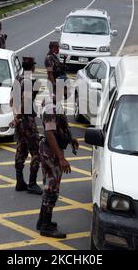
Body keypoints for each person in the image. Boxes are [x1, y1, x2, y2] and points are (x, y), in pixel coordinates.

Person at [37, 94, 79, 238]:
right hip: (51, 153)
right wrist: (61, 158)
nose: (68, 93)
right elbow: (49, 133)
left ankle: (42, 221)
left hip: (49, 150)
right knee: (52, 189)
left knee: (48, 185)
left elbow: (59, 127)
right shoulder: (51, 107)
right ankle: (46, 226)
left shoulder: (55, 102)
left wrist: (70, 139)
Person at [10, 57, 43, 195]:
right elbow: (25, 101)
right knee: (36, 152)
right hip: (27, 121)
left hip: (19, 121)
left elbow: (12, 101)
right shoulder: (29, 82)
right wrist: (19, 117)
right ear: (33, 67)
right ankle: (32, 183)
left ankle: (19, 181)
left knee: (21, 149)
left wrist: (16, 117)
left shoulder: (18, 79)